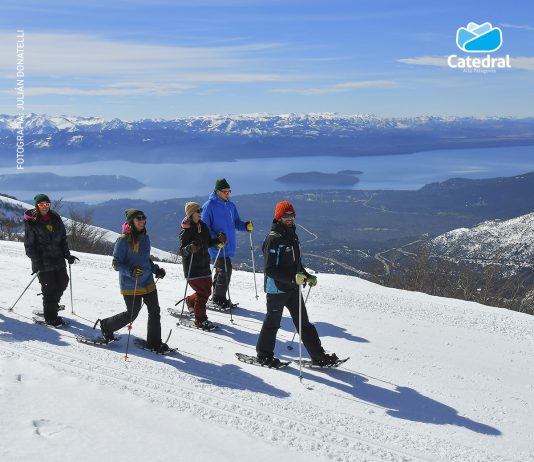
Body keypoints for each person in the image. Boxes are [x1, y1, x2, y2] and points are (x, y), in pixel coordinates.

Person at [256, 200, 338, 367]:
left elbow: (296, 264)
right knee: (273, 323)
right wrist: (293, 278)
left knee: (304, 324)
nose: (290, 218)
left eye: (292, 215)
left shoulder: (292, 235)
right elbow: (270, 270)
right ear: (278, 217)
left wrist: (307, 276)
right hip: (276, 290)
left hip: (293, 288)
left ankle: (318, 356)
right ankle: (263, 355)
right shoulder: (273, 239)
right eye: (286, 215)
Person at [97, 208, 168, 351]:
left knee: (154, 311)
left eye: (143, 218)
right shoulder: (123, 240)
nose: (142, 221)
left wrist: (156, 270)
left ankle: (154, 343)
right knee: (131, 315)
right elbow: (116, 263)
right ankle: (106, 325)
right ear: (131, 222)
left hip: (147, 282)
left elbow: (146, 260)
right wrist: (131, 271)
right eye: (138, 218)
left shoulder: (145, 237)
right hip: (131, 284)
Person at [24, 193, 79, 326]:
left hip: (58, 259)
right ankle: (50, 317)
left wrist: (68, 255)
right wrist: (36, 263)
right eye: (42, 205)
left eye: (47, 204)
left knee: (63, 282)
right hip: (43, 262)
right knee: (49, 288)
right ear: (37, 206)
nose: (45, 207)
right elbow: (29, 246)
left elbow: (63, 240)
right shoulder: (32, 222)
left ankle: (52, 305)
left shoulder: (55, 218)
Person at [201, 178, 253, 308]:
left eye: (229, 191)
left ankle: (216, 297)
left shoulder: (230, 206)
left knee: (221, 271)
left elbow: (236, 222)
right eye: (225, 191)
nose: (227, 194)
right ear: (217, 191)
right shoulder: (209, 206)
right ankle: (219, 298)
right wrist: (216, 238)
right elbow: (205, 227)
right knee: (225, 269)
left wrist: (245, 226)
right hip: (216, 246)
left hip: (227, 245)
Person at [179, 202, 226, 329]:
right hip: (192, 269)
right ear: (191, 213)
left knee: (207, 291)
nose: (201, 213)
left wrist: (218, 241)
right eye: (198, 211)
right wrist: (189, 248)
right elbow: (181, 251)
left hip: (204, 265)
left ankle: (190, 301)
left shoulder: (203, 226)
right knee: (203, 292)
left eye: (201, 210)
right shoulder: (186, 231)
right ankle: (200, 320)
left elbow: (208, 243)